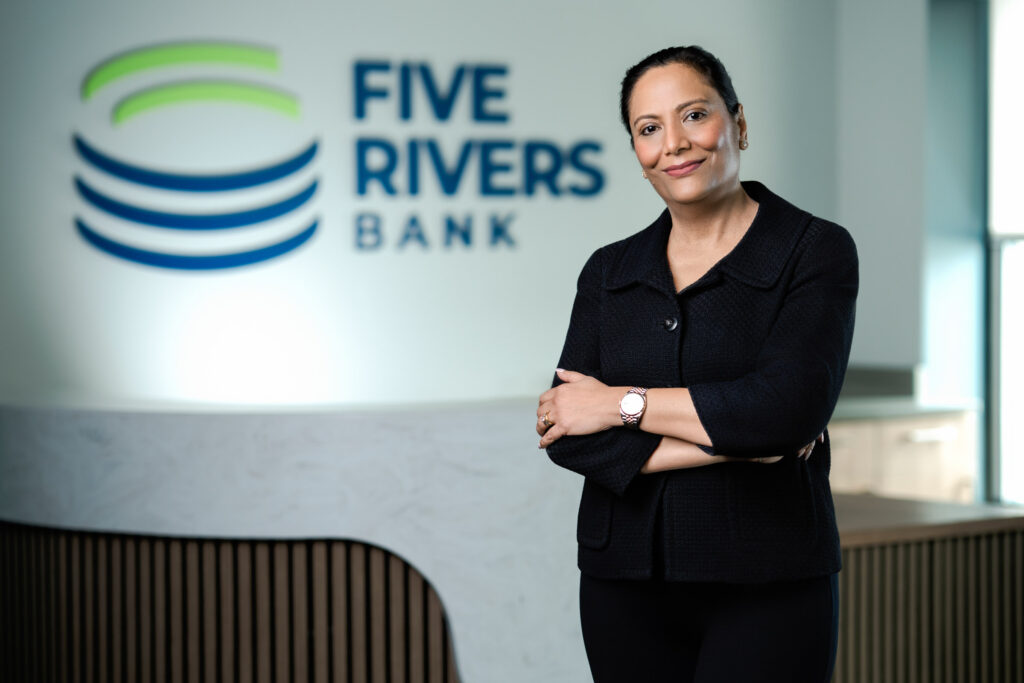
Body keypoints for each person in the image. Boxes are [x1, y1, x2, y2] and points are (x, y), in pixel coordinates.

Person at [535, 46, 857, 683]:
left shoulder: (813, 249)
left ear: (737, 123)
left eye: (694, 115)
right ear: (636, 152)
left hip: (768, 580)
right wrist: (739, 443)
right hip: (622, 581)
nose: (674, 144)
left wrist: (618, 405)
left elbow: (786, 410)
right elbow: (566, 434)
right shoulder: (610, 269)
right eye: (649, 129)